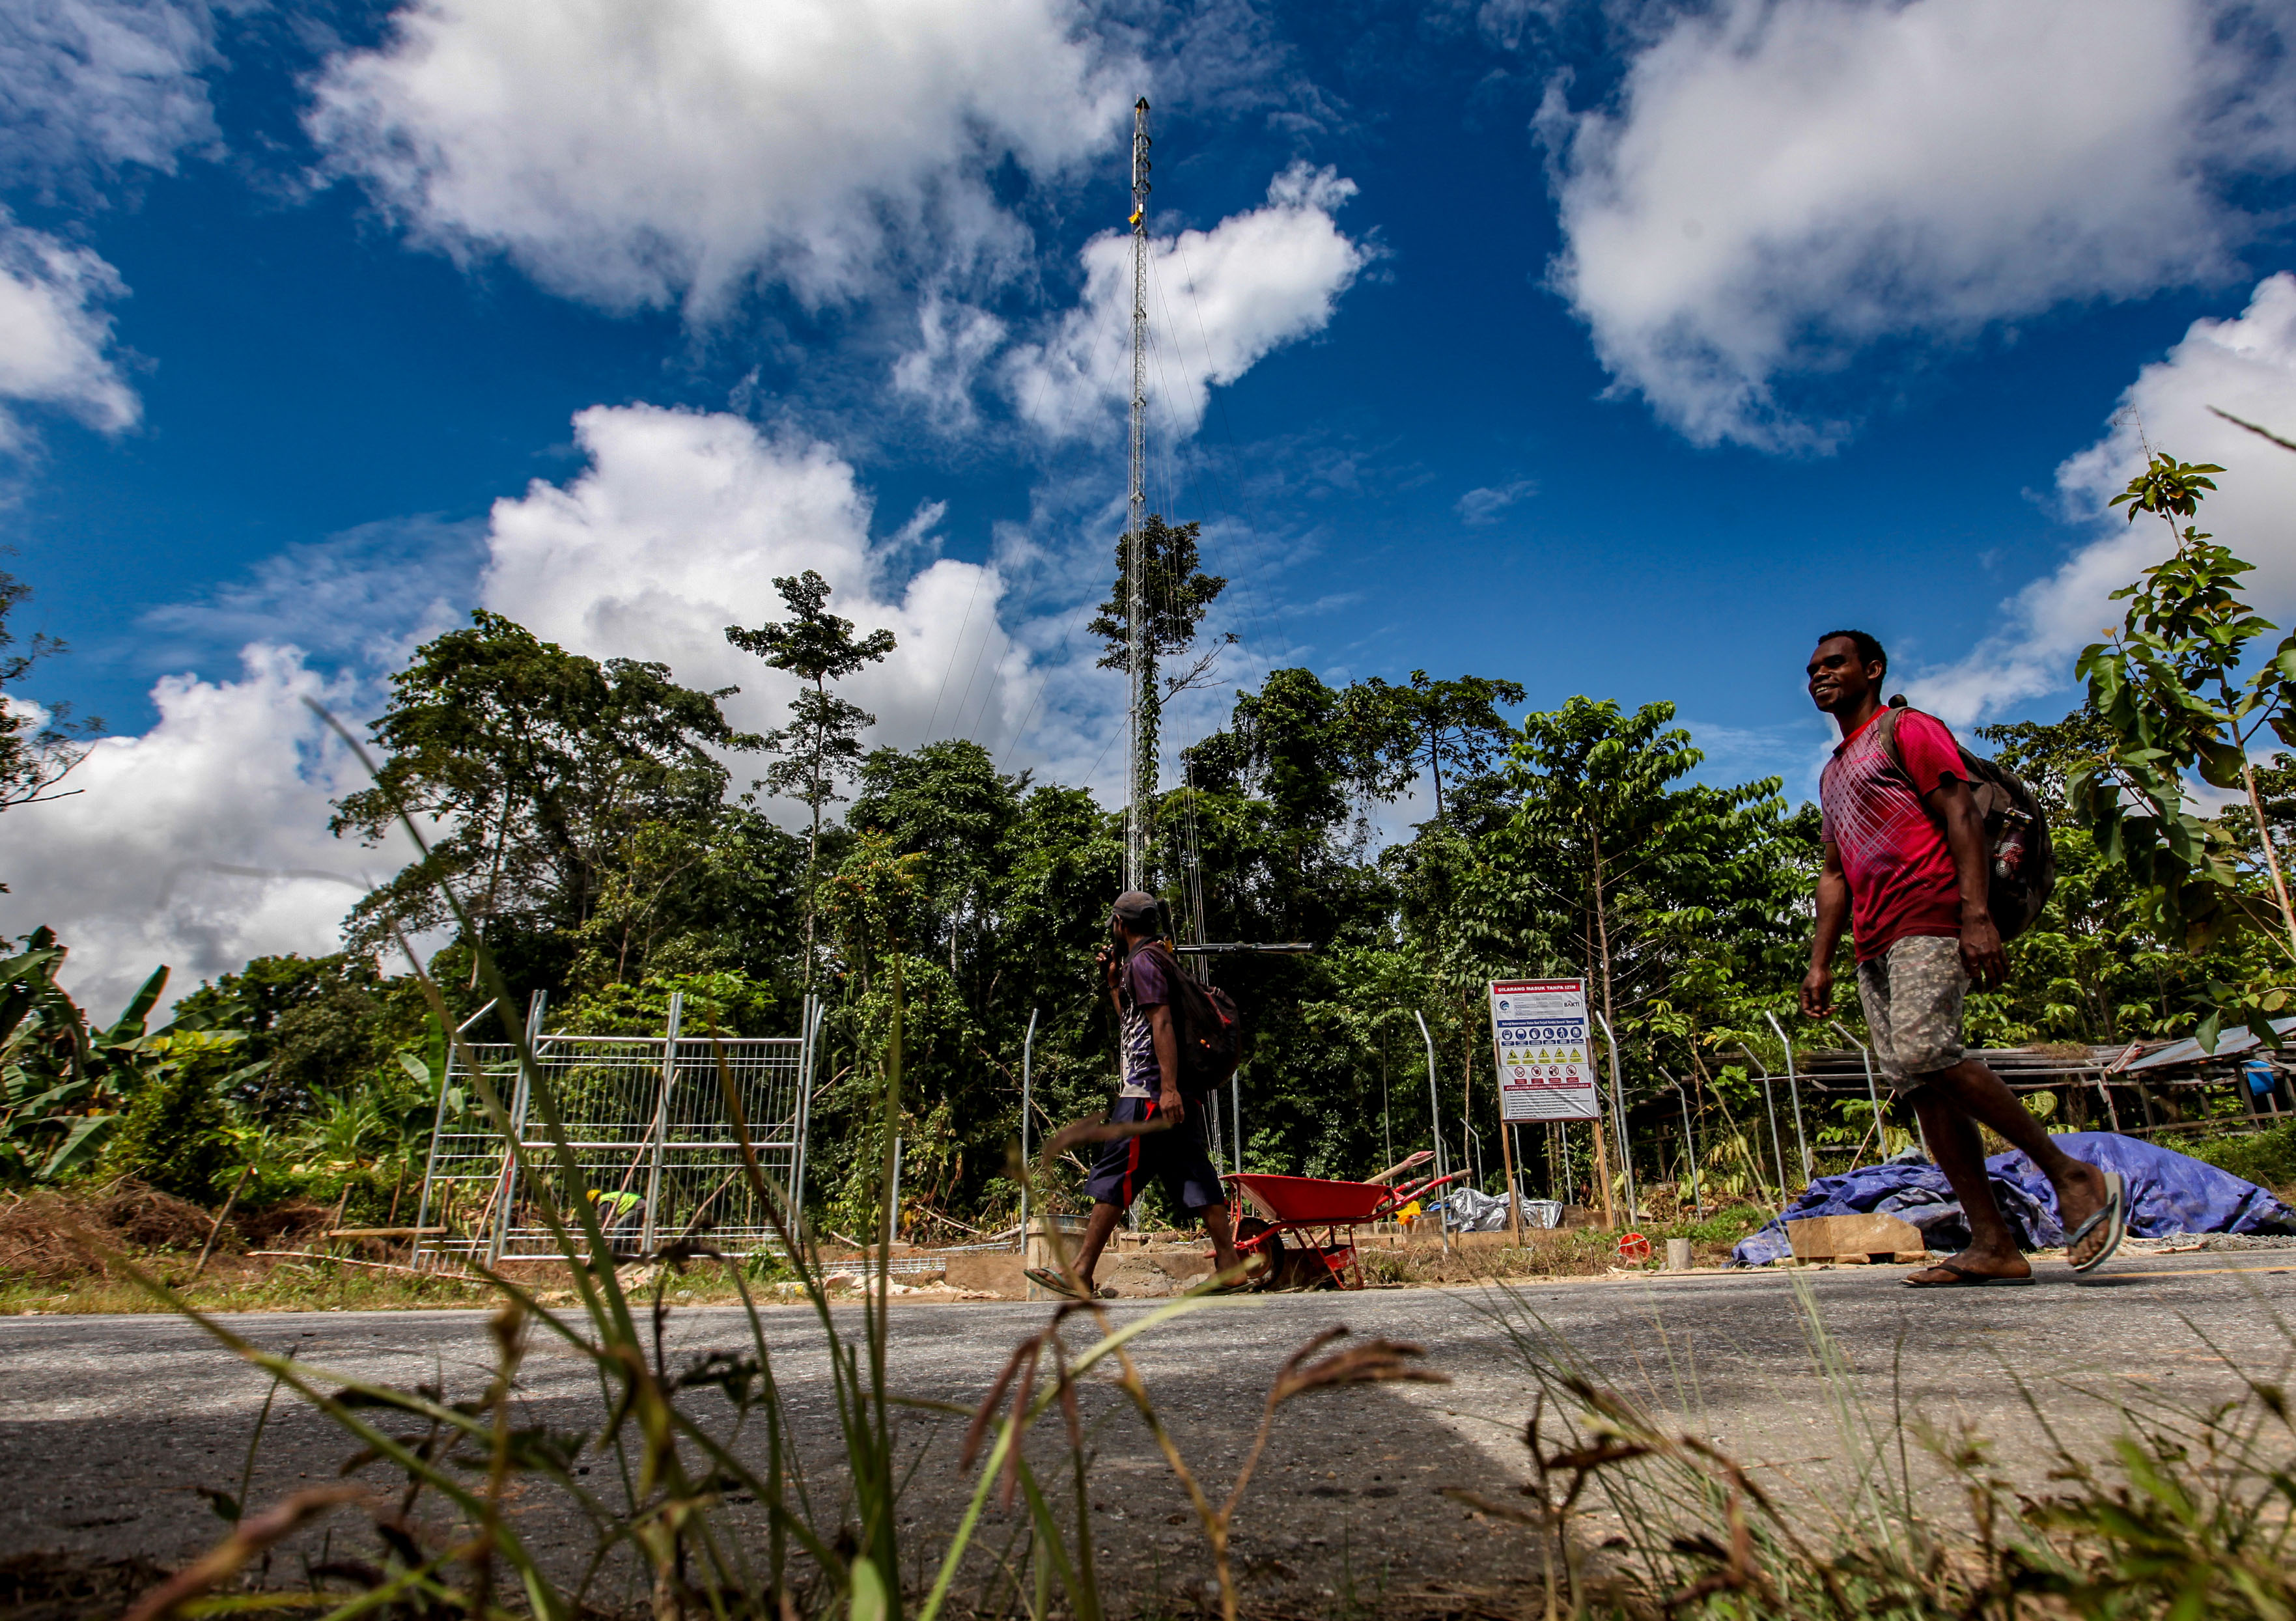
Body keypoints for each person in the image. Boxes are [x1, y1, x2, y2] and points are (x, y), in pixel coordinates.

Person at [1799, 630, 2125, 1286]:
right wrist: (1820, 961)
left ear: (1872, 669)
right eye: (1811, 670)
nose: (1819, 676)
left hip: (1931, 915)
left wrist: (1975, 915)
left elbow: (1961, 816)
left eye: (1833, 664)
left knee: (1925, 1052)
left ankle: (2072, 1174)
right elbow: (1834, 875)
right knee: (1918, 1086)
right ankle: (1993, 1244)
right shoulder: (1833, 770)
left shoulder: (1908, 730)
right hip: (1877, 937)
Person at [1024, 890, 1243, 1299]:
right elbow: (1136, 1023)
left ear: (1120, 924)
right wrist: (1113, 984)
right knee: (1194, 1172)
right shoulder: (1150, 961)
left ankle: (1081, 1271)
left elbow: (1160, 1024)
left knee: (1115, 1173)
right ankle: (1230, 1266)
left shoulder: (1144, 962)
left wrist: (1169, 1089)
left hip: (1150, 1091)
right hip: (1166, 1091)